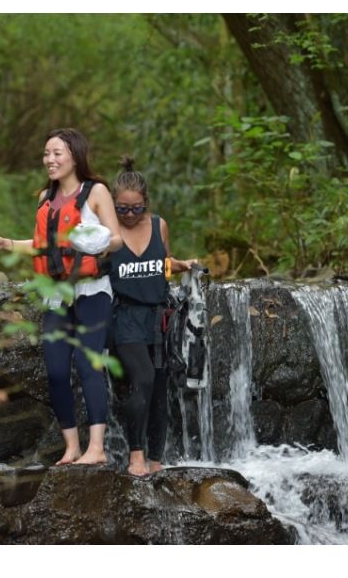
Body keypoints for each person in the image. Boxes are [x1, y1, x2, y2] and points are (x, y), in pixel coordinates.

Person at [0, 128, 122, 465]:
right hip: (58, 294)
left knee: (89, 366)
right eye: (46, 153)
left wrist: (96, 241)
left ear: (75, 155)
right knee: (57, 370)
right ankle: (71, 446)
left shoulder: (96, 192)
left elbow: (117, 239)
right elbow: (44, 244)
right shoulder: (46, 197)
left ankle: (97, 449)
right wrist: (9, 245)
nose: (50, 159)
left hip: (92, 292)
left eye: (57, 153)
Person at [108, 157, 196, 476]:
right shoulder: (108, 233)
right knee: (142, 378)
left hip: (158, 318)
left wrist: (183, 264)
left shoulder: (159, 225)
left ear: (146, 203)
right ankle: (136, 456)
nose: (129, 215)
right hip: (126, 318)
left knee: (160, 389)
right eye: (122, 209)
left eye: (136, 209)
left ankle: (156, 460)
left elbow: (165, 262)